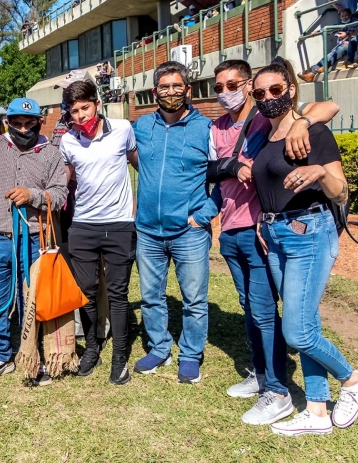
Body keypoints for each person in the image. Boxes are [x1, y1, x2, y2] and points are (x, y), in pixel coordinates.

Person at [207, 60, 340, 425]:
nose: (267, 98)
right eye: (218, 87)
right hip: (257, 231)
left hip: (290, 232)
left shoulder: (285, 124)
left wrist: (303, 121)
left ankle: (286, 388)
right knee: (259, 309)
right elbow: (211, 169)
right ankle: (293, 392)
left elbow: (328, 106)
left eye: (274, 91)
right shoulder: (249, 128)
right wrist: (231, 168)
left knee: (285, 320)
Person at [250, 58, 358, 437]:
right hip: (276, 236)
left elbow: (342, 191)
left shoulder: (313, 133)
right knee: (307, 322)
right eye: (260, 93)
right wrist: (263, 220)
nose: (268, 98)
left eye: (275, 90)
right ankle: (317, 412)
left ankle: (350, 380)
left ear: (291, 90)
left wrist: (320, 172)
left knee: (297, 332)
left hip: (310, 233)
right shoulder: (263, 136)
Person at [0, 97, 67, 384]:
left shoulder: (51, 154)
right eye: (17, 123)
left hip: (34, 238)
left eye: (29, 123)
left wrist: (32, 195)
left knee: (31, 301)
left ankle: (32, 355)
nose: (23, 128)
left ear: (39, 121)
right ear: (7, 122)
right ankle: (1, 355)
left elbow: (60, 195)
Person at [130, 61, 218, 384]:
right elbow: (128, 155)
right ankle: (159, 347)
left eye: (176, 86)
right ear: (155, 92)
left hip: (189, 232)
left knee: (194, 299)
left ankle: (191, 354)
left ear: (188, 89)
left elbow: (222, 177)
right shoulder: (140, 127)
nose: (170, 92)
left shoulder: (205, 128)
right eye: (164, 87)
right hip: (148, 231)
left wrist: (203, 216)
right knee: (151, 295)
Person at [59, 81, 137, 384]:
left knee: (118, 294)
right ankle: (92, 349)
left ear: (97, 104)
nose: (80, 115)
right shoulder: (68, 141)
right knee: (86, 293)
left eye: (84, 107)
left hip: (118, 224)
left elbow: (140, 165)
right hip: (83, 227)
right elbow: (64, 181)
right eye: (73, 111)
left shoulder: (123, 129)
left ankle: (119, 357)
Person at [299, 8, 357, 79]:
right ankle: (311, 74)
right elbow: (328, 29)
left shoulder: (355, 22)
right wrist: (317, 32)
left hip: (351, 45)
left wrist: (347, 34)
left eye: (346, 16)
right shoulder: (339, 24)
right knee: (327, 57)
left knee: (339, 50)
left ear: (350, 15)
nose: (345, 18)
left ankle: (325, 67)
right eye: (342, 16)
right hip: (340, 45)